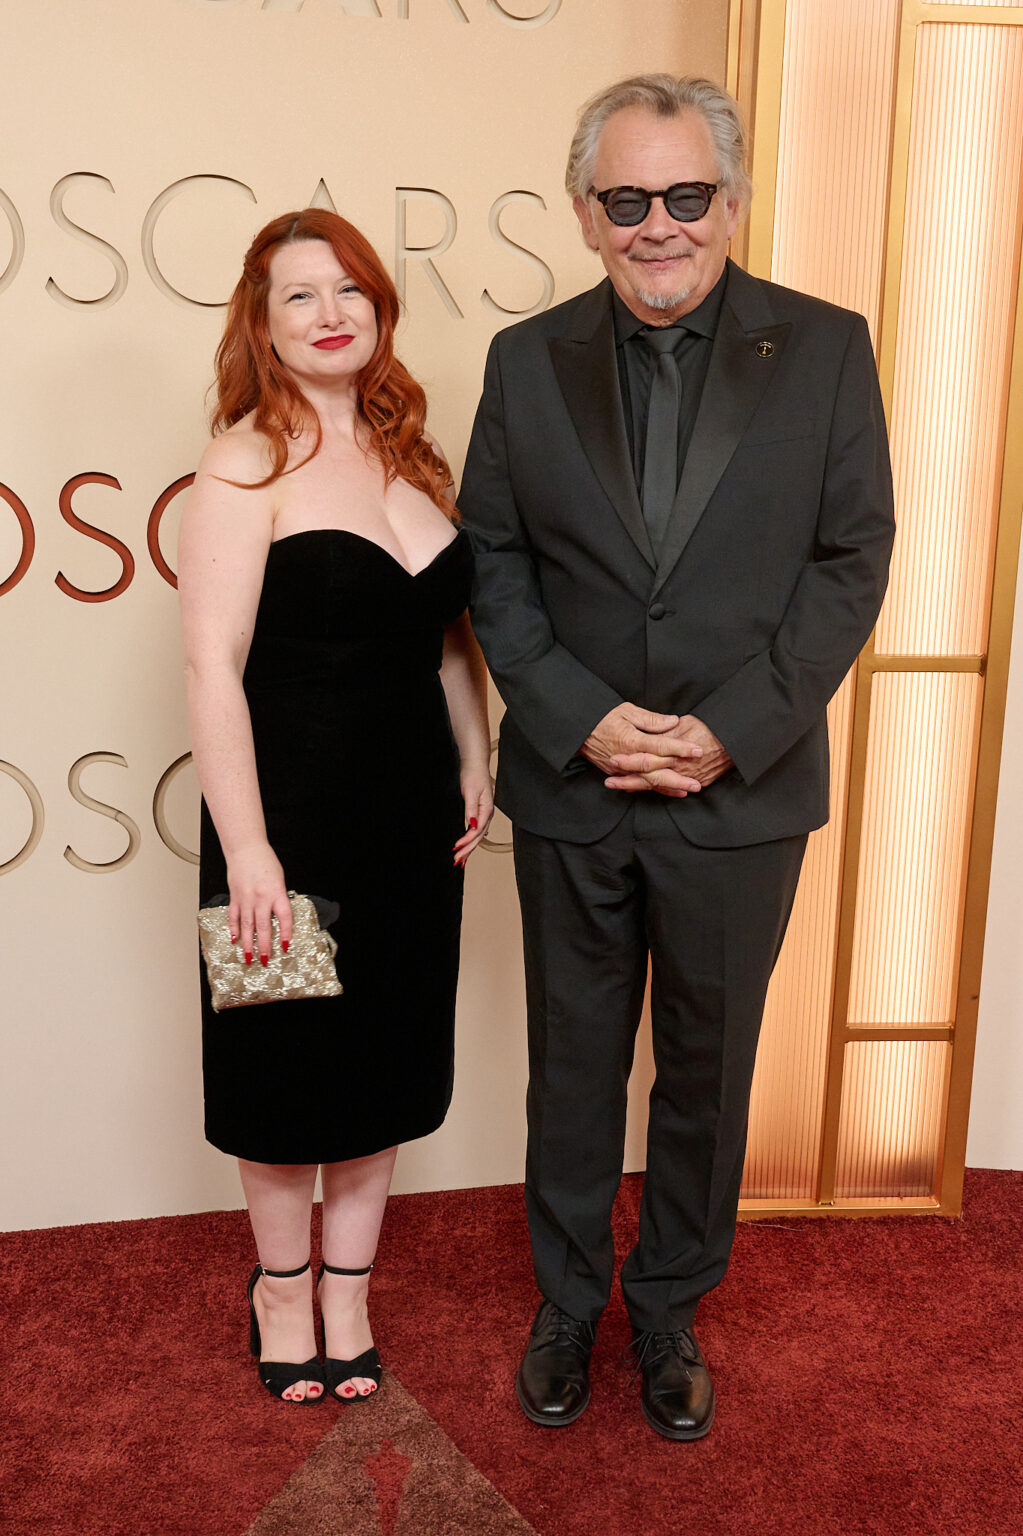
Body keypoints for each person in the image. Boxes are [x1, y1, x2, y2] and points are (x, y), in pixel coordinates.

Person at [460, 75, 894, 1441]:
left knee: (705, 1076)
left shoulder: (824, 349)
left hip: (738, 791)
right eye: (628, 200)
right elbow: (495, 562)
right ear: (586, 212)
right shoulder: (524, 361)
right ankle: (565, 1308)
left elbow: (850, 558)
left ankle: (665, 1313)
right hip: (575, 785)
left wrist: (732, 729)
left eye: (687, 196)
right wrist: (578, 715)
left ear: (732, 198)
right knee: (571, 1067)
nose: (660, 226)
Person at [178, 208, 492, 1406]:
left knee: (384, 1064)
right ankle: (278, 1290)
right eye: (301, 296)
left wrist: (478, 750)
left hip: (412, 823)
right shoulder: (241, 464)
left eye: (350, 289)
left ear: (379, 310)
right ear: (262, 326)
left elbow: (451, 636)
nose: (331, 314)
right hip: (287, 822)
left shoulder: (415, 459)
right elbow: (211, 668)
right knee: (281, 1070)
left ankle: (348, 1291)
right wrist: (248, 851)